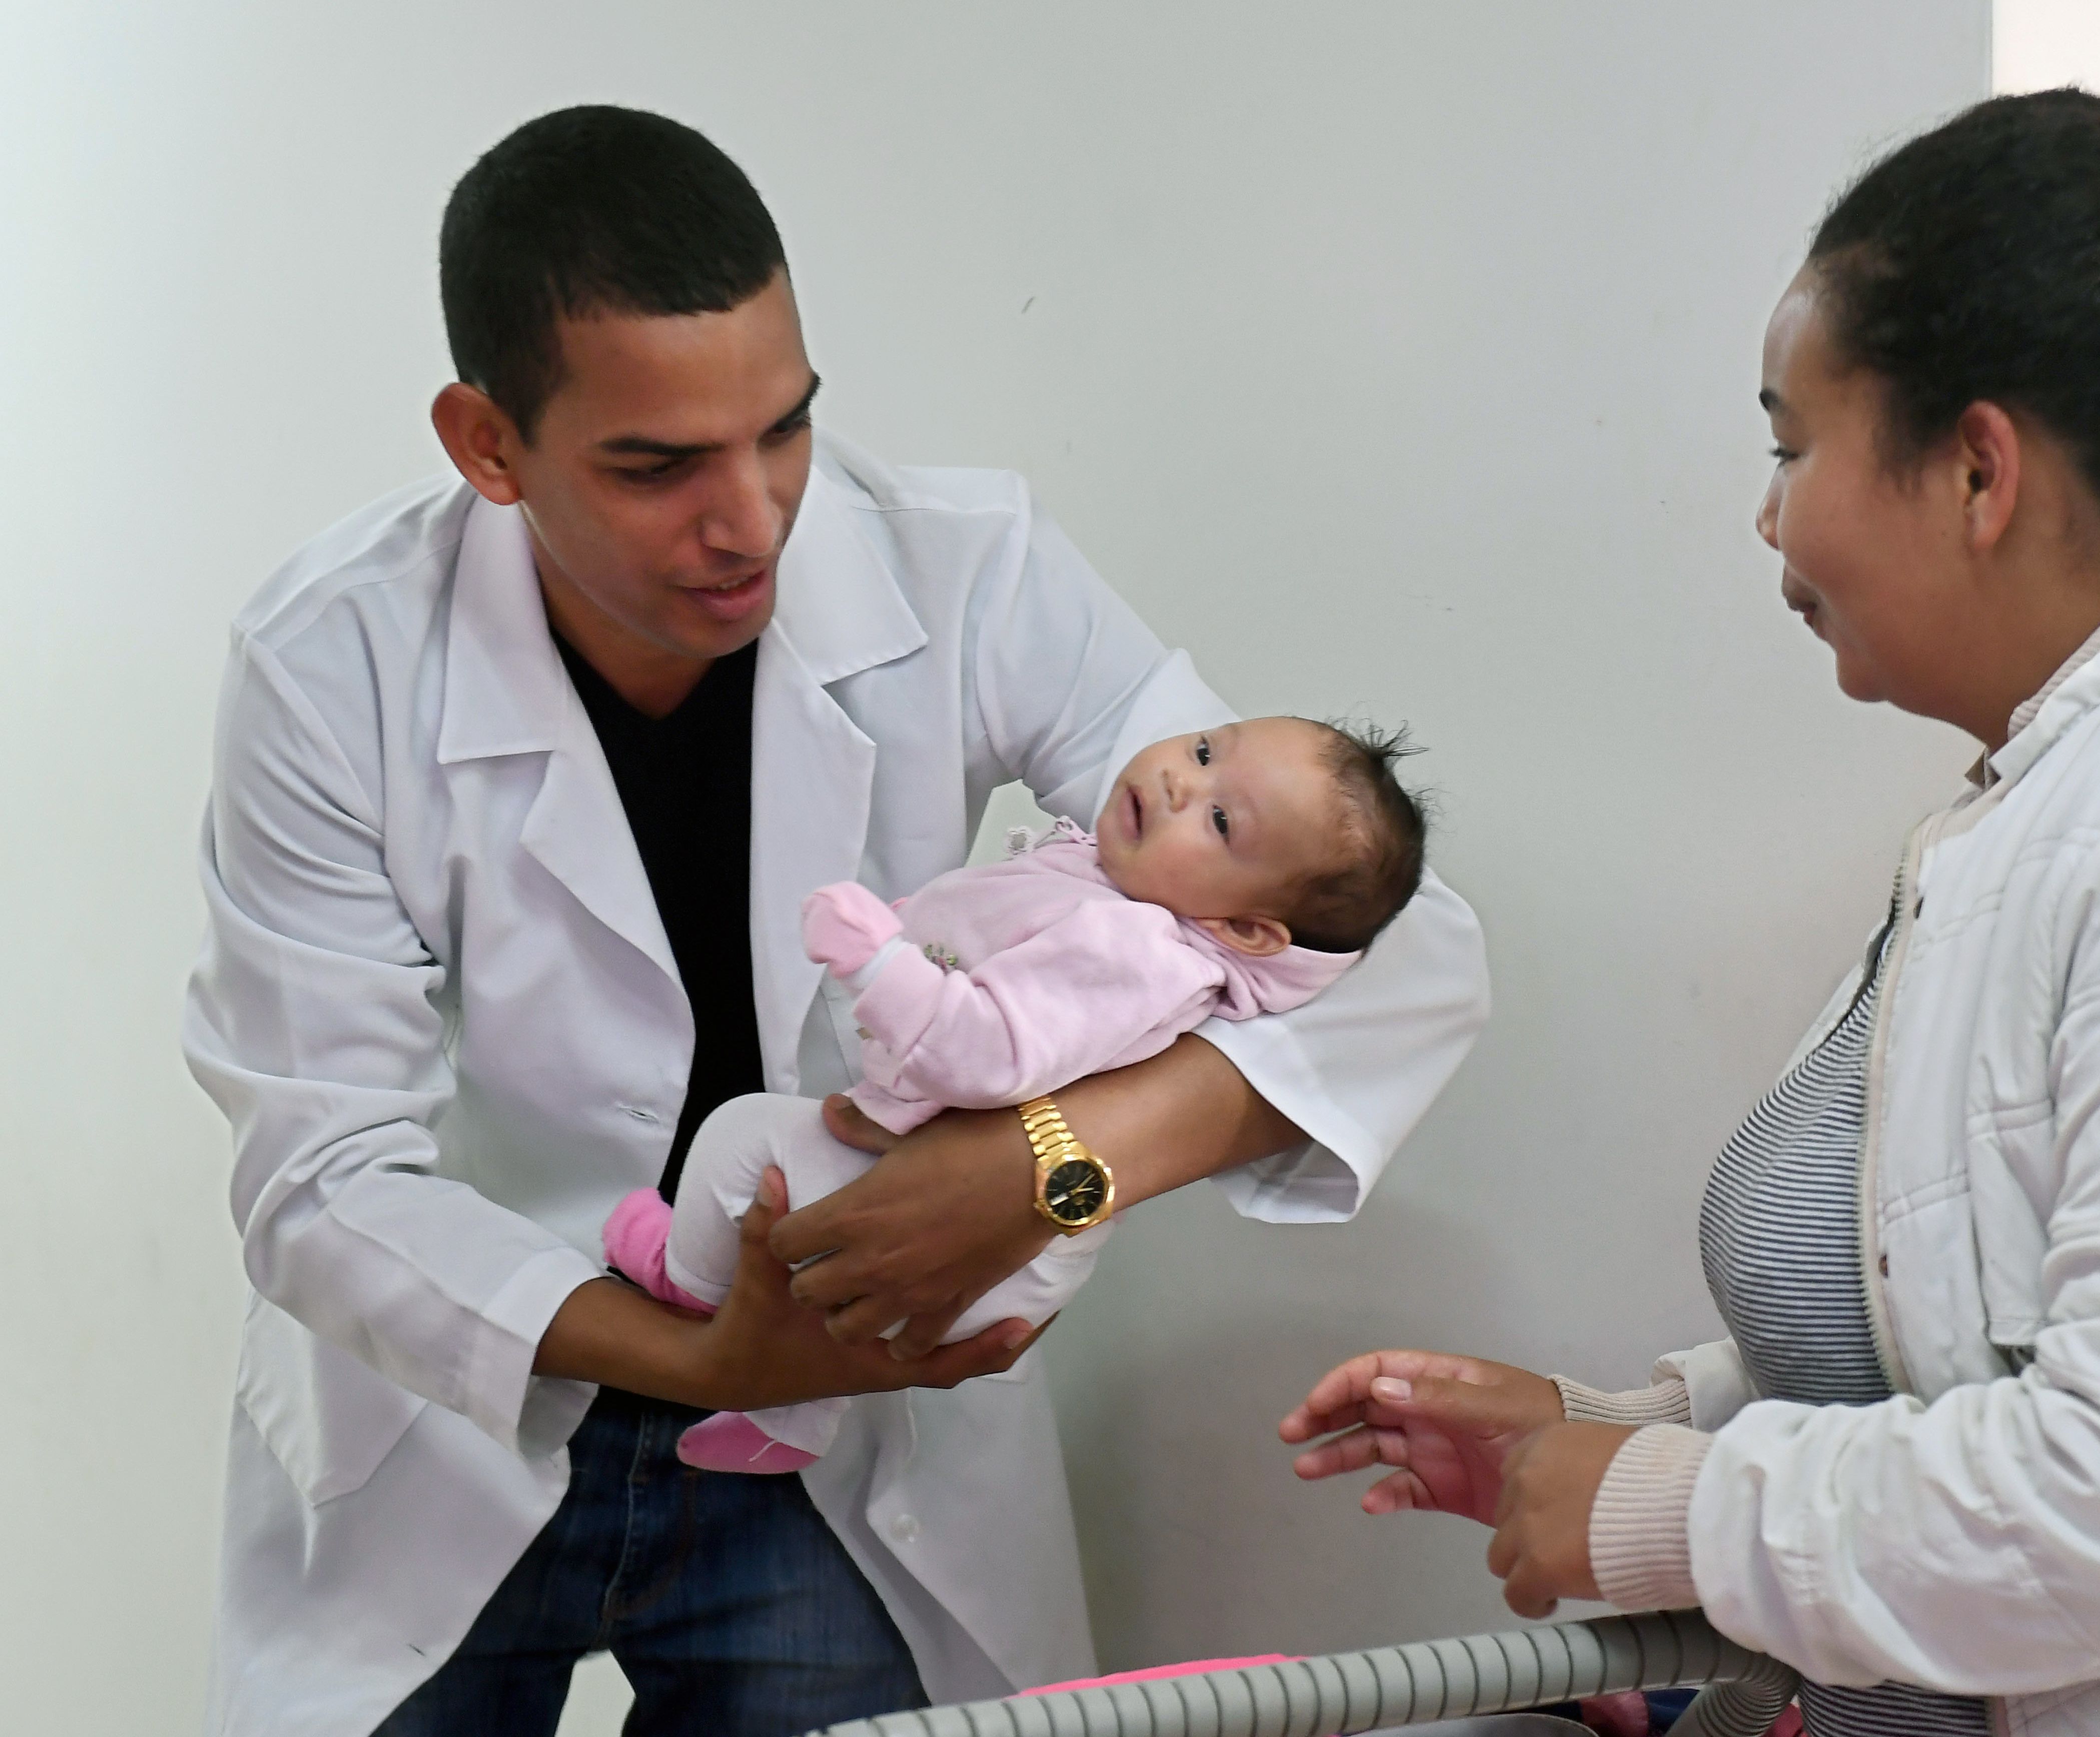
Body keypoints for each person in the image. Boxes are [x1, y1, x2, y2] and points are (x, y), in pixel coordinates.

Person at [1280, 52, 2100, 1737]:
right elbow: (1972, 1320)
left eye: (1789, 445)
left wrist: (1668, 1505)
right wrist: (1607, 1428)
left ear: (1976, 474)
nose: (1766, 521)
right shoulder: (2064, 798)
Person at [184, 106, 1487, 1737]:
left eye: (782, 430)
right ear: (486, 443)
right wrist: (717, 1362)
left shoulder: (955, 567)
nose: (752, 523)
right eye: (658, 466)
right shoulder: (332, 662)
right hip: (460, 1400)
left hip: (844, 1442)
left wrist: (1051, 1166)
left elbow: (1395, 934)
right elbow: (321, 1176)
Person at [606, 717, 1431, 1474]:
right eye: (1207, 750)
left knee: (744, 1139)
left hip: (993, 1229)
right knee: (815, 1248)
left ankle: (687, 1283)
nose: (1184, 781)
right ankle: (793, 1424)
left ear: (1249, 932)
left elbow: (988, 1054)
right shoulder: (1116, 886)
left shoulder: (1134, 945)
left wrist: (876, 961)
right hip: (992, 1216)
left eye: (1221, 822)